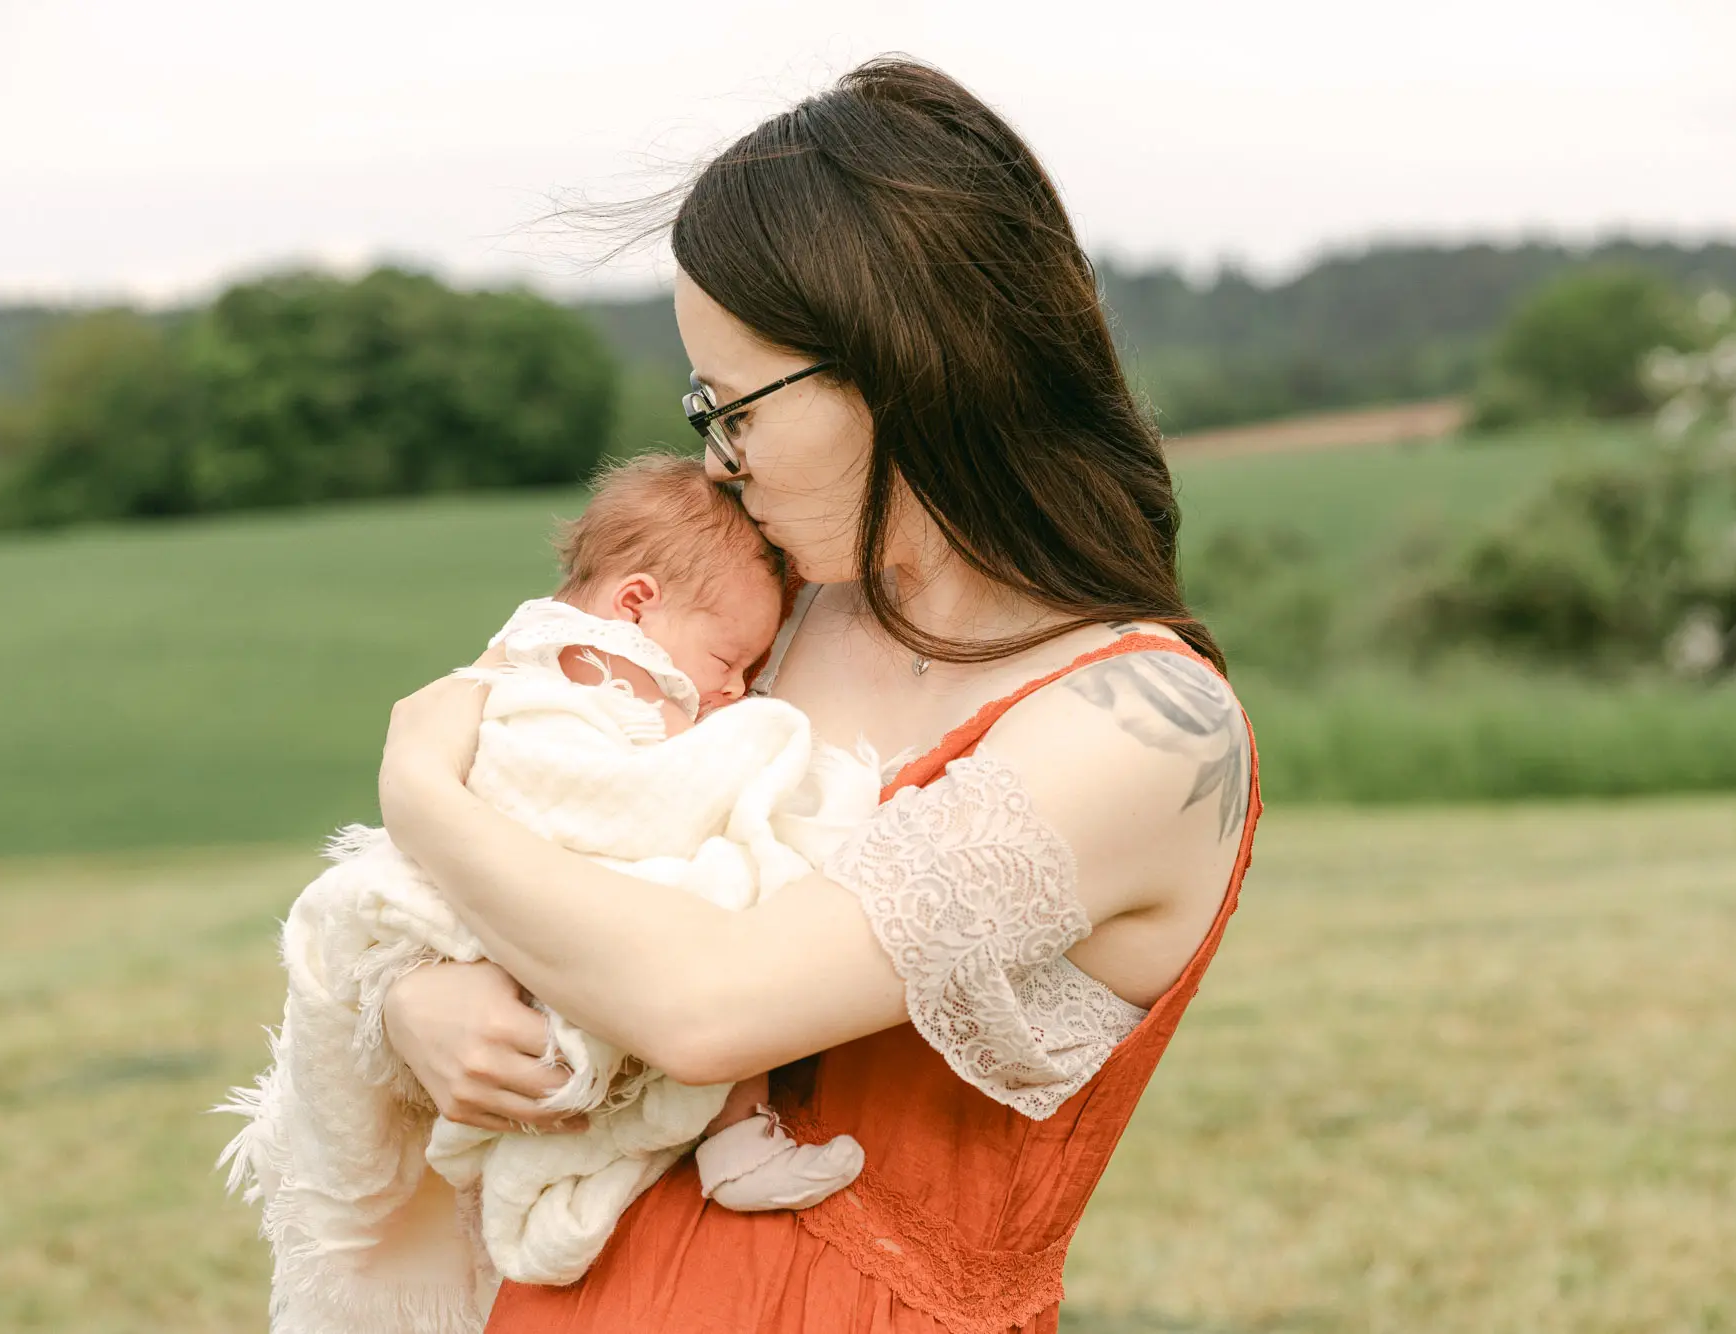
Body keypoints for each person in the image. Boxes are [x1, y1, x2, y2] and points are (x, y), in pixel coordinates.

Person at [373, 55, 1262, 1333]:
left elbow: (704, 1006)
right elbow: (550, 825)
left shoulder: (1145, 725)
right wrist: (416, 991)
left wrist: (422, 799)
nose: (715, 461)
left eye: (734, 408)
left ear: (904, 366)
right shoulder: (762, 622)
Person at [221, 455, 873, 1330]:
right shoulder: (581, 666)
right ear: (634, 605)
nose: (732, 689)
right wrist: (740, 743)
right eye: (728, 660)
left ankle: (724, 1136)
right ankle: (729, 1136)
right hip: (530, 905)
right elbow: (578, 786)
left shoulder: (608, 646)